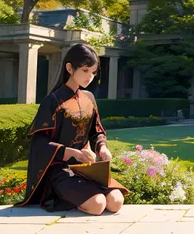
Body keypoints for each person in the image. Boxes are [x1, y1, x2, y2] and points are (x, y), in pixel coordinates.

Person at [16, 43, 127, 215]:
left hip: (88, 169)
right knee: (98, 205)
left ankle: (80, 197)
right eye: (85, 70)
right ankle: (62, 197)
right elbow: (39, 144)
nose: (90, 76)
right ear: (69, 68)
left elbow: (96, 131)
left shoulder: (89, 98)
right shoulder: (52, 101)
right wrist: (73, 153)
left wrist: (102, 147)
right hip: (60, 171)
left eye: (93, 72)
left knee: (116, 201)